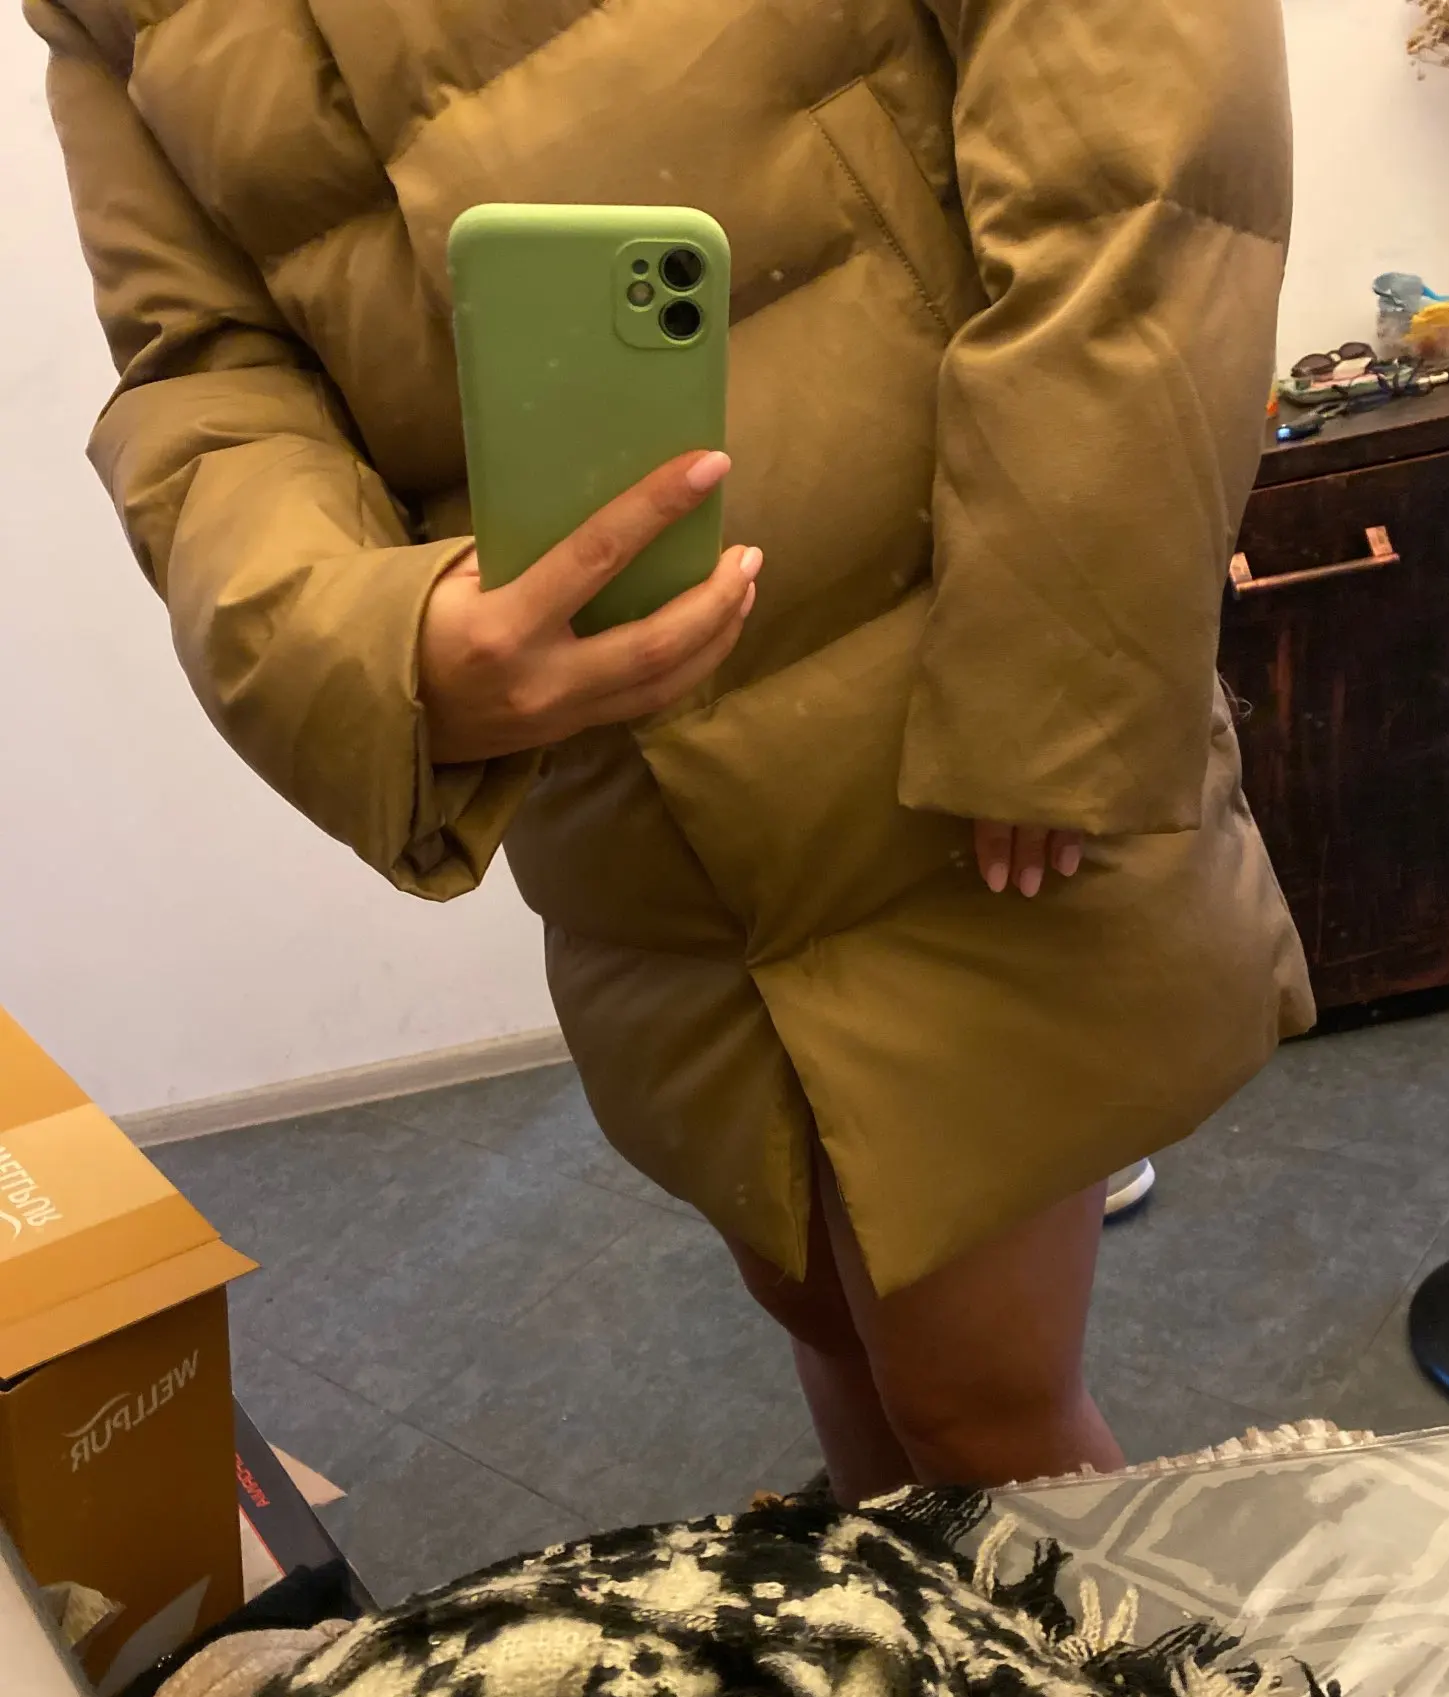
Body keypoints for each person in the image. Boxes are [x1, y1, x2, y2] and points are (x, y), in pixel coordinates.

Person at [30, 0, 1312, 1504]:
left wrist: (1059, 648)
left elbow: (1136, 121)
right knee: (827, 1320)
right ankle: (922, 1652)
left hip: (940, 701)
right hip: (620, 796)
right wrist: (378, 644)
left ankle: (1111, 1667)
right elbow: (203, 370)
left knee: (979, 1404)